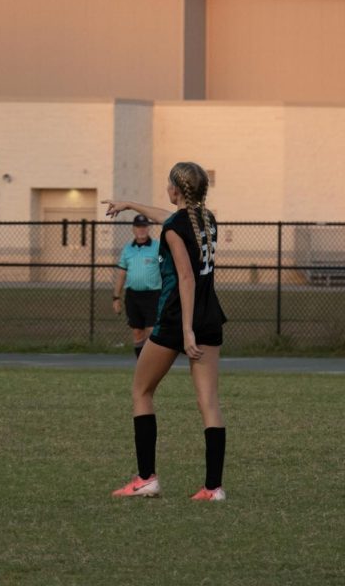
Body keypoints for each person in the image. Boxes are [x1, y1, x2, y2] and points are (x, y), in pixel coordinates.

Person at [102, 162, 228, 502]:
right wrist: (129, 203)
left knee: (141, 391)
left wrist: (185, 331)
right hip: (210, 317)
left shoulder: (175, 226)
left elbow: (185, 277)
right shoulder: (207, 219)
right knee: (209, 402)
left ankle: (146, 479)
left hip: (177, 320)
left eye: (169, 185)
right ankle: (213, 488)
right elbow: (167, 218)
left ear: (176, 189)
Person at [112, 214, 162, 358]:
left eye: (144, 227)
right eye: (138, 227)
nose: (141, 230)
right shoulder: (128, 249)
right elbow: (122, 273)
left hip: (153, 295)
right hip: (133, 296)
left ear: (148, 228)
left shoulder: (157, 247)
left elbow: (164, 265)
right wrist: (116, 297)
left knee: (152, 331)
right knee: (137, 332)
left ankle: (151, 363)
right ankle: (141, 363)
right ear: (133, 229)